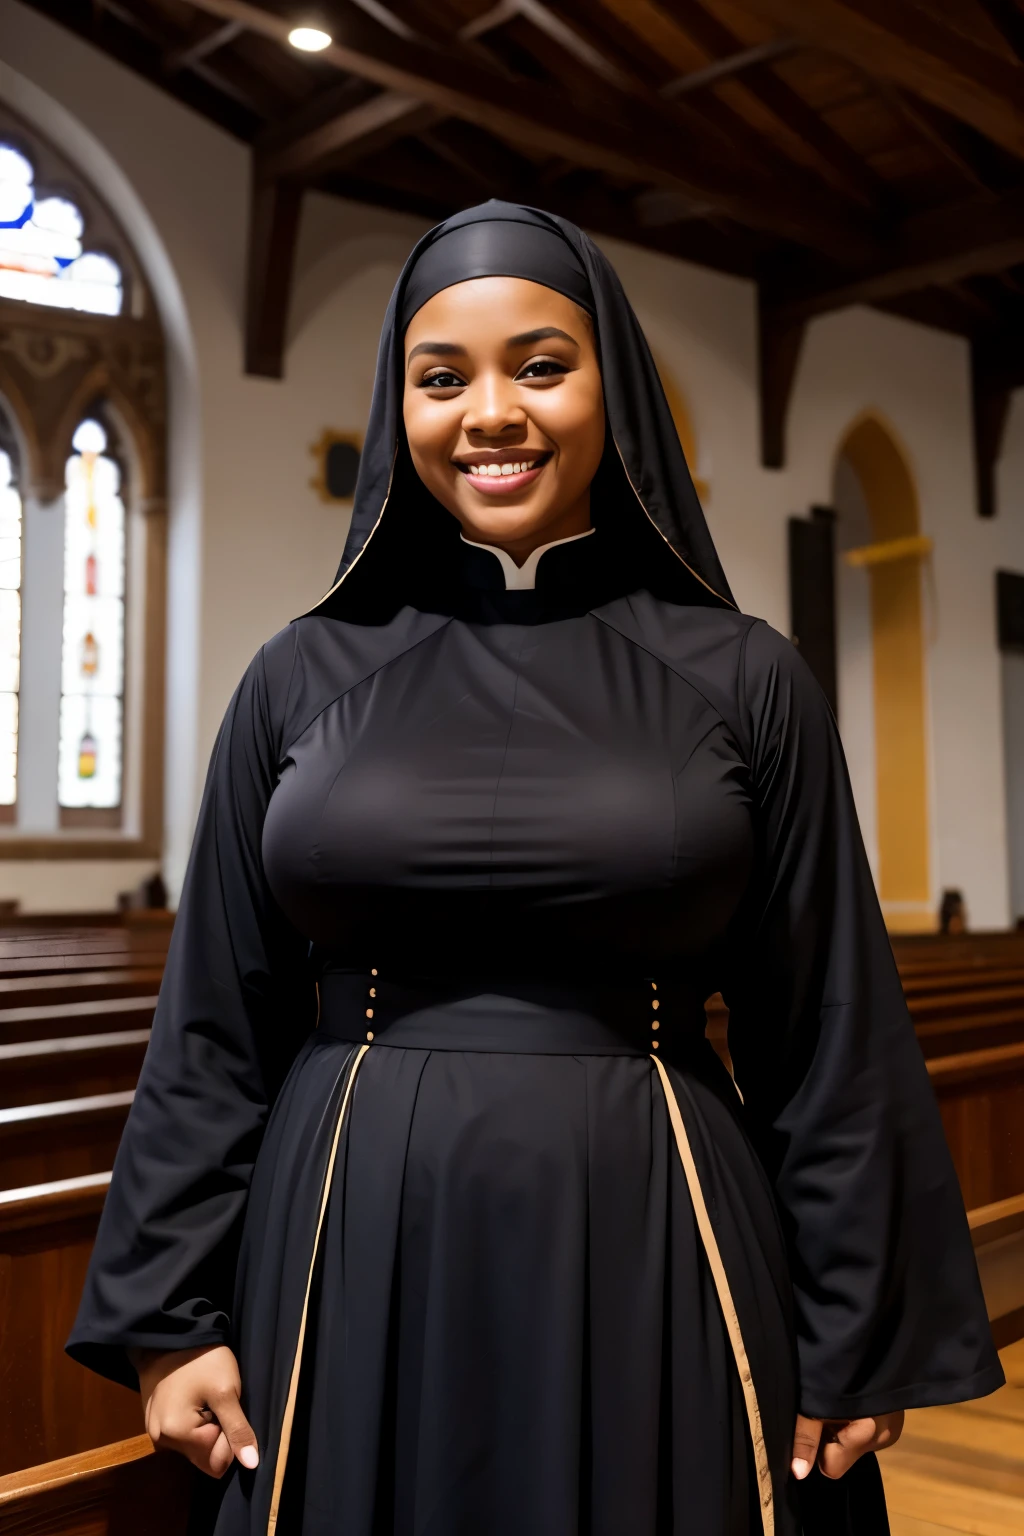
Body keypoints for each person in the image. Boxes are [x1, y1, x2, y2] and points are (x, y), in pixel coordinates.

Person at [67, 203, 1002, 1536]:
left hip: (659, 1223)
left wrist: (856, 1328)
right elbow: (218, 1018)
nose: (488, 412)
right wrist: (168, 1313)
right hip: (352, 1227)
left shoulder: (742, 677)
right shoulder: (300, 674)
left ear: (612, 389)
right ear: (401, 406)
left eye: (541, 367)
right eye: (442, 378)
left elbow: (827, 1029)